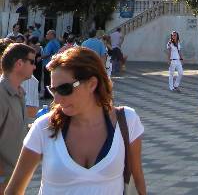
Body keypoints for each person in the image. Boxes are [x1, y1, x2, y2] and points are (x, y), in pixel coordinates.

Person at [5, 46, 147, 195]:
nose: (57, 99)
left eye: (64, 89)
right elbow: (14, 190)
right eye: (53, 90)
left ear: (92, 84)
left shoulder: (127, 121)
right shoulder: (44, 127)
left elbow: (138, 181)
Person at [0, 42, 36, 192]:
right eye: (32, 62)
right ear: (19, 63)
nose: (35, 67)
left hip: (14, 178)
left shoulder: (19, 92)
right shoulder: (1, 94)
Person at [39, 30, 61, 100]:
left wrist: (40, 57)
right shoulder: (57, 43)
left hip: (48, 64)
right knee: (52, 80)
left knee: (47, 80)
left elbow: (47, 54)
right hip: (54, 64)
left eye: (47, 34)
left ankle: (47, 95)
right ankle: (51, 94)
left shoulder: (51, 43)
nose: (46, 35)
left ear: (52, 35)